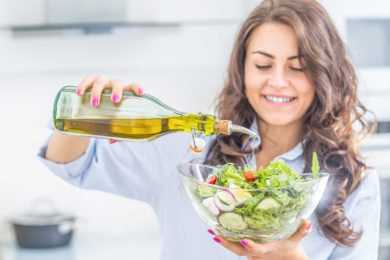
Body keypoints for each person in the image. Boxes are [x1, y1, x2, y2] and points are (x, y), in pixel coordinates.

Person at [38, 0, 380, 259]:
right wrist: (84, 113)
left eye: (298, 68)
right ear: (242, 70)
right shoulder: (189, 148)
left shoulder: (355, 181)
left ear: (324, 74)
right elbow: (72, 163)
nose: (277, 82)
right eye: (262, 64)